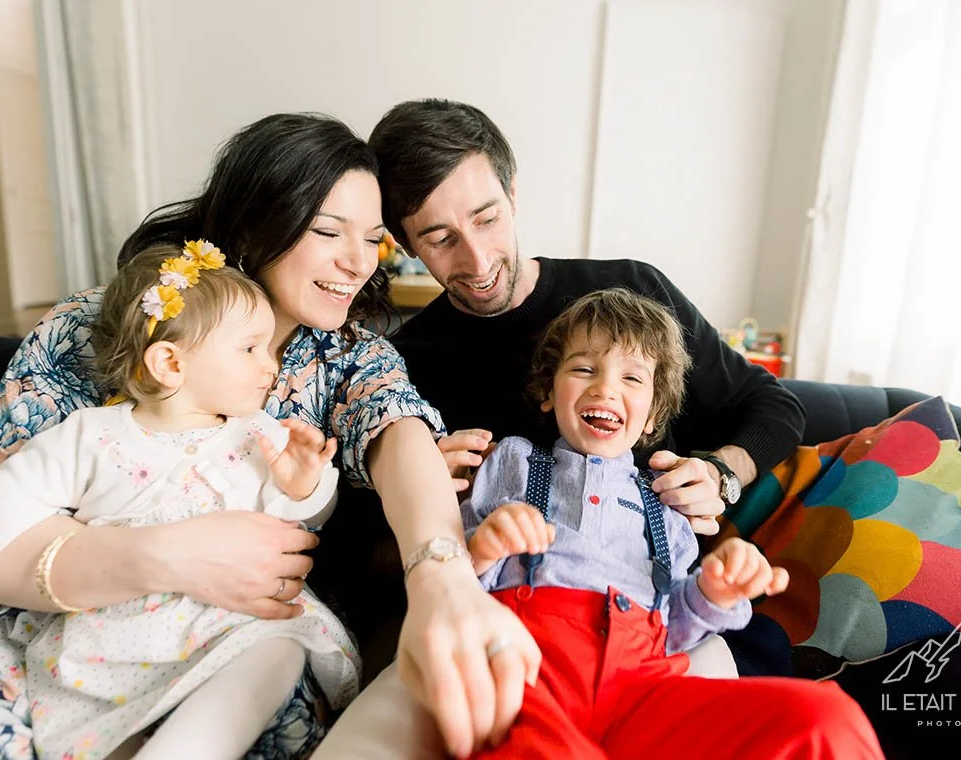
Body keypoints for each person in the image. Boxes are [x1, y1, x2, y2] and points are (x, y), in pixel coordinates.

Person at [0, 113, 536, 760]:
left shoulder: (345, 357)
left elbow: (400, 435)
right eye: (326, 231)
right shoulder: (111, 327)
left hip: (224, 644)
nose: (356, 261)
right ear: (256, 224)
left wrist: (442, 578)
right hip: (47, 637)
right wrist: (168, 554)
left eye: (373, 239)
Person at [315, 97, 808, 758]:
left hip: (654, 622)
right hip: (508, 623)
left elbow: (772, 404)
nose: (476, 256)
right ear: (402, 245)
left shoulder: (632, 295)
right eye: (439, 238)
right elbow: (356, 558)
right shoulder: (408, 364)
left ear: (513, 194)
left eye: (487, 218)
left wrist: (723, 472)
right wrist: (428, 498)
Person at [0, 244, 359, 759]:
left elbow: (289, 530)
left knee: (280, 650)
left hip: (229, 623)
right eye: (250, 348)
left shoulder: (255, 434)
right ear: (170, 361)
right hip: (117, 634)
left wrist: (303, 485)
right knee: (98, 724)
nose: (270, 364)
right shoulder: (90, 437)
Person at [458, 287, 881, 758]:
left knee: (826, 717)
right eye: (583, 369)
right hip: (531, 677)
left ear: (653, 413)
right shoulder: (512, 461)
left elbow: (674, 629)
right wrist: (486, 545)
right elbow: (447, 573)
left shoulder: (668, 509)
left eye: (632, 378)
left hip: (642, 690)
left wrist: (715, 594)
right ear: (547, 392)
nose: (605, 388)